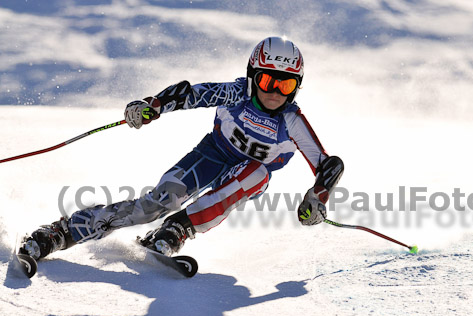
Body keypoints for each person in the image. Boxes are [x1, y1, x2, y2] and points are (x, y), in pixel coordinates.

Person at [20, 36, 344, 260]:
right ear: (252, 77)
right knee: (155, 204)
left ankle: (180, 228)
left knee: (256, 172)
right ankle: (62, 232)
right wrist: (153, 106)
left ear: (296, 87)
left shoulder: (292, 121)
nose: (274, 92)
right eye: (266, 81)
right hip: (210, 155)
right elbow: (191, 94)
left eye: (284, 84)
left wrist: (316, 199)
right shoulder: (237, 93)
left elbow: (327, 166)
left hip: (243, 176)